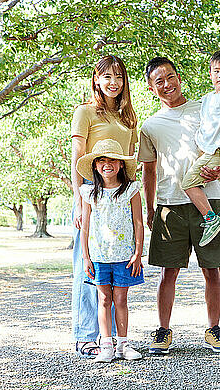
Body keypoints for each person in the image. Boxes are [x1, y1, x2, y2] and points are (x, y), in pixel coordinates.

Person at [138, 56, 220, 354]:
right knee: (168, 272)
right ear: (151, 88)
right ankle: (163, 331)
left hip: (209, 198)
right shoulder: (150, 125)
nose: (167, 84)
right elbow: (149, 170)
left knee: (213, 270)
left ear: (179, 77)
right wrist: (150, 207)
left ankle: (214, 329)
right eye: (159, 81)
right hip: (170, 204)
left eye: (170, 77)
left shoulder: (205, 108)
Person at [71, 55, 138, 358]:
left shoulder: (128, 119)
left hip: (120, 200)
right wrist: (77, 200)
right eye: (107, 76)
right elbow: (78, 158)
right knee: (90, 271)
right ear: (96, 79)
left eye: (120, 77)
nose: (114, 83)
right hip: (93, 198)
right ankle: (87, 335)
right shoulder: (84, 112)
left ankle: (113, 340)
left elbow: (130, 162)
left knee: (117, 274)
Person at [77, 138, 144, 363]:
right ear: (95, 166)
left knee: (121, 299)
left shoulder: (131, 190)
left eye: (113, 160)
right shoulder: (89, 193)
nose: (108, 164)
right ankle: (106, 344)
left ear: (121, 164)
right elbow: (85, 227)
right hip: (98, 256)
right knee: (103, 299)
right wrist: (86, 257)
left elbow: (138, 223)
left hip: (124, 256)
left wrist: (138, 252)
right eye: (102, 161)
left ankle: (123, 344)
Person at [181, 49, 220, 246]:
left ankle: (211, 218)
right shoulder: (208, 98)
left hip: (216, 151)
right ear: (210, 73)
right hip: (208, 148)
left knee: (189, 183)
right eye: (216, 71)